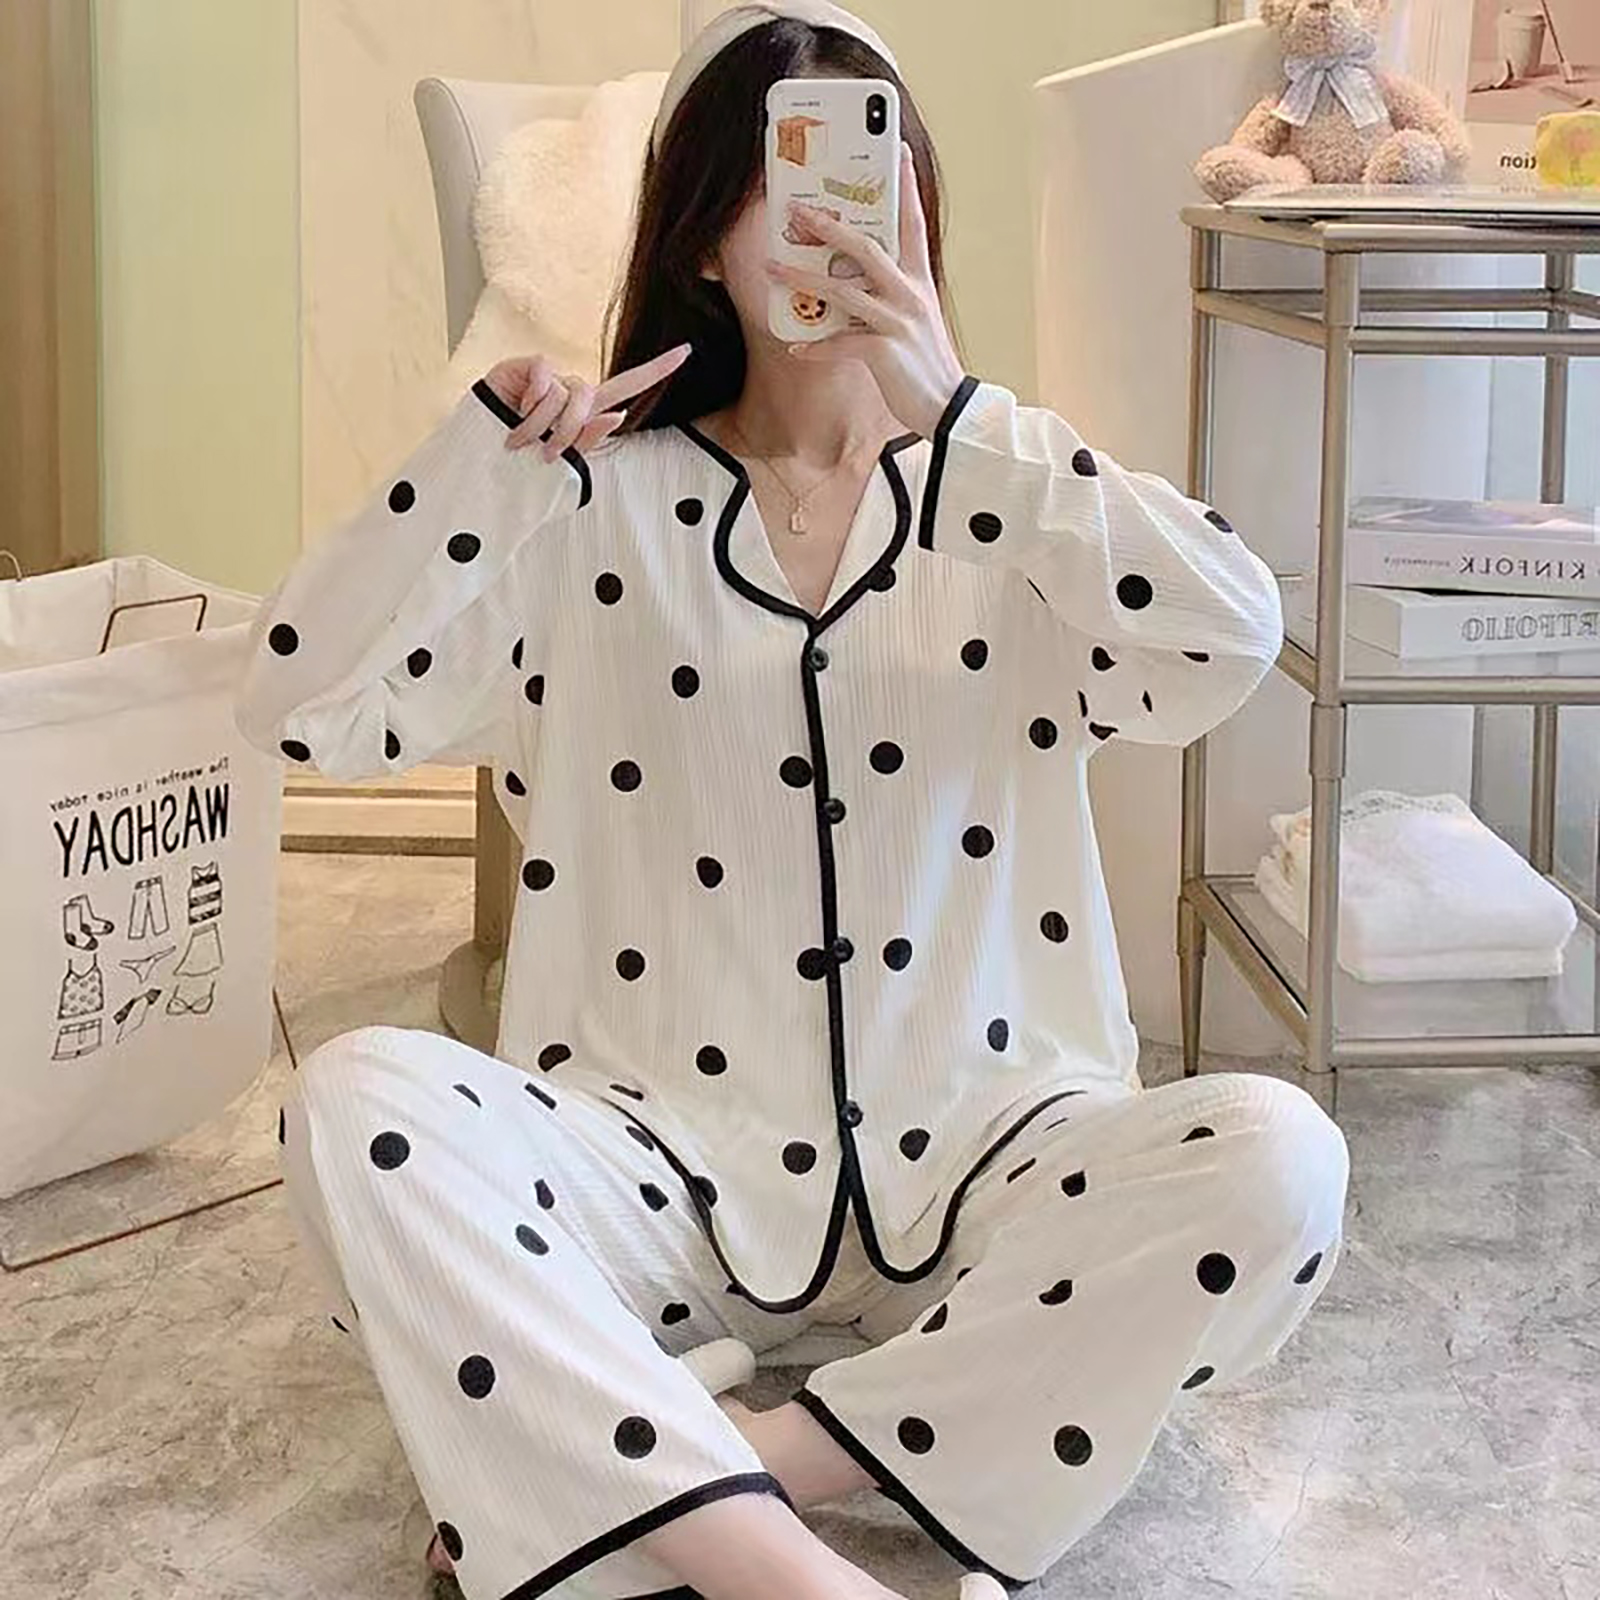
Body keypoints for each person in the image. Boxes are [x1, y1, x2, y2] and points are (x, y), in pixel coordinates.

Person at [238, 5, 1349, 1599]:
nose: (833, 221)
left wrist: (967, 423)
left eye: (866, 172)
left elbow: (1231, 642)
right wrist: (483, 464)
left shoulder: (1015, 499)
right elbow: (296, 711)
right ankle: (790, 1570)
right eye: (781, 182)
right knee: (358, 1104)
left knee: (1278, 1159)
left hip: (988, 1185)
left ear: (922, 213)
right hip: (655, 1186)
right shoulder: (582, 511)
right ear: (704, 234)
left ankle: (718, 1462)